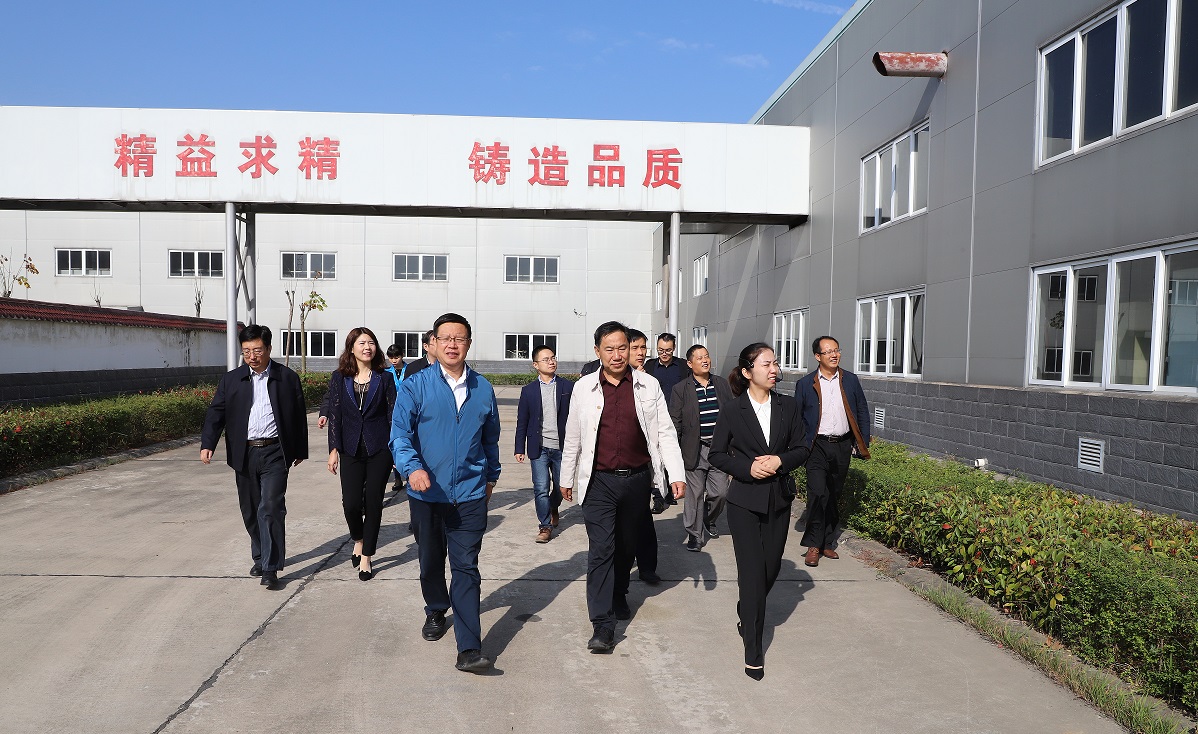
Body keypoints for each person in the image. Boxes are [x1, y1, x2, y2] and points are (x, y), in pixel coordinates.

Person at [560, 321, 685, 653]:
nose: (617, 355)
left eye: (622, 348)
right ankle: (602, 625)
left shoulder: (648, 385)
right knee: (601, 549)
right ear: (597, 351)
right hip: (598, 481)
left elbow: (665, 432)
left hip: (637, 480)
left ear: (630, 349)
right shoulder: (584, 387)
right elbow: (573, 435)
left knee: (626, 546)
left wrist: (676, 474)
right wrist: (566, 477)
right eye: (609, 349)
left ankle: (618, 593)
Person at [390, 313, 501, 673]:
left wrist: (491, 477)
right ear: (434, 343)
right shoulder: (415, 385)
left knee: (466, 567)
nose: (453, 344)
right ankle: (436, 608)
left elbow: (490, 440)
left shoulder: (483, 388)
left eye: (460, 338)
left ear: (468, 344)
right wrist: (412, 468)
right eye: (446, 338)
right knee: (430, 560)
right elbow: (400, 435)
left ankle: (468, 648)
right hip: (427, 495)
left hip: (469, 494)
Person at [708, 342, 809, 680]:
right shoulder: (732, 410)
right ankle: (753, 649)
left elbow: (802, 448)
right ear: (748, 371)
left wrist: (780, 460)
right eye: (767, 364)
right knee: (751, 575)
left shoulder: (788, 406)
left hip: (778, 500)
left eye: (775, 363)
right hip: (744, 502)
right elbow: (717, 454)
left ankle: (746, 608)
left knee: (770, 569)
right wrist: (746, 468)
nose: (774, 369)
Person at [200, 325, 308, 590]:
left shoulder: (286, 378)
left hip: (275, 451)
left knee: (270, 507)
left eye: (257, 350)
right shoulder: (231, 380)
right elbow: (216, 413)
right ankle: (260, 556)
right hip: (244, 452)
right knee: (250, 510)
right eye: (246, 351)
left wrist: (299, 449)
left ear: (269, 349)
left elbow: (298, 415)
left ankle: (270, 568)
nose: (252, 356)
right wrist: (208, 443)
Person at [326, 327, 397, 581]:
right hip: (350, 447)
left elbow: (393, 414)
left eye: (371, 343)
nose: (367, 347)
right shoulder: (339, 378)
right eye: (362, 343)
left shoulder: (385, 378)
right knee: (351, 503)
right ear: (351, 348)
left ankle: (367, 555)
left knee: (374, 502)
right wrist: (333, 449)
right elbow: (335, 415)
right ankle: (358, 538)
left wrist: (396, 448)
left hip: (380, 448)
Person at [794, 335, 871, 568]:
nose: (834, 355)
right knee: (818, 494)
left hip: (842, 445)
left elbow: (862, 410)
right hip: (816, 446)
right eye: (828, 352)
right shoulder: (805, 384)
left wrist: (861, 441)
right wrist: (799, 447)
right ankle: (813, 545)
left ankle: (827, 541)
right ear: (818, 356)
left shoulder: (850, 380)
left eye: (836, 350)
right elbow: (798, 418)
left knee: (834, 495)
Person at [669, 344, 734, 551]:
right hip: (693, 449)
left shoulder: (721, 384)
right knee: (695, 494)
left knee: (721, 493)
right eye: (699, 358)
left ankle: (708, 517)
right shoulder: (680, 389)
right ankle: (694, 535)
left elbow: (732, 415)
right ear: (690, 364)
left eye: (706, 356)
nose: (705, 360)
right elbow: (675, 422)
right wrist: (674, 454)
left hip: (718, 449)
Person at [514, 344, 573, 543]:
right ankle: (545, 526)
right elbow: (522, 421)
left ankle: (553, 506)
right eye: (546, 359)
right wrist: (519, 447)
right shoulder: (528, 390)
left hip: (561, 447)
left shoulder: (567, 387)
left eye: (553, 358)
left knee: (561, 487)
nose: (551, 362)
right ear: (536, 365)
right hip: (538, 447)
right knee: (540, 488)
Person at [384, 343, 408, 491]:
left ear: (402, 356)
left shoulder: (410, 370)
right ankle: (398, 479)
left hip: (407, 411)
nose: (394, 360)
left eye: (396, 357)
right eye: (391, 357)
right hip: (391, 412)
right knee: (393, 444)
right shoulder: (386, 373)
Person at [645, 332, 687, 399]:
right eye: (661, 350)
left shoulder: (683, 365)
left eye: (668, 350)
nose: (664, 354)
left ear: (674, 348)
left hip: (678, 404)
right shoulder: (649, 366)